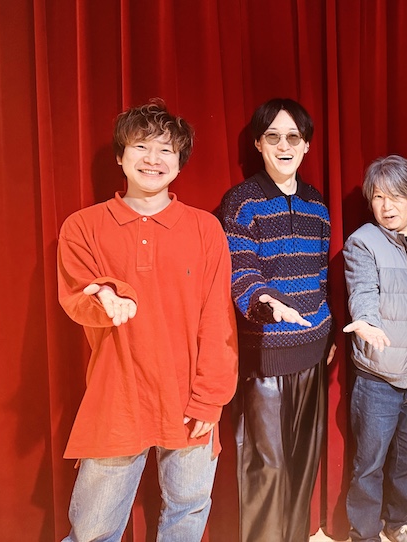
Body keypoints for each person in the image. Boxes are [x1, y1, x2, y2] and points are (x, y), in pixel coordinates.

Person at [57, 99, 238, 541]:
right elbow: (78, 297)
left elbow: (218, 320)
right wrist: (104, 293)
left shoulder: (205, 229)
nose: (153, 159)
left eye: (166, 150)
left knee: (187, 514)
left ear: (179, 162)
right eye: (141, 146)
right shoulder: (83, 226)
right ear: (121, 156)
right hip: (116, 395)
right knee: (92, 529)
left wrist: (210, 398)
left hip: (190, 396)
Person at [218, 98, 335, 542]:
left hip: (313, 350)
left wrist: (328, 329)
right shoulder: (241, 202)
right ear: (258, 144)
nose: (283, 146)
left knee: (303, 463)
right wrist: (269, 301)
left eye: (292, 137)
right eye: (273, 137)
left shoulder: (317, 204)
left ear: (306, 146)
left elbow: (321, 276)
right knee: (266, 467)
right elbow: (241, 272)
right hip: (265, 354)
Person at [342, 155, 407, 542]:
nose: (387, 206)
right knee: (368, 464)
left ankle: (401, 520)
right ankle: (364, 533)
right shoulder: (363, 242)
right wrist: (366, 321)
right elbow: (362, 290)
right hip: (379, 378)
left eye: (396, 196)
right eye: (378, 197)